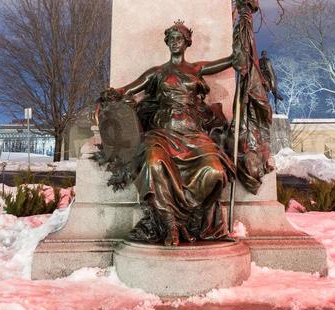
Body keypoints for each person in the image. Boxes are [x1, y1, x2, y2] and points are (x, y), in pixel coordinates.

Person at [100, 21, 235, 246]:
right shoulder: (157, 72)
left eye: (179, 38)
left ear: (187, 43)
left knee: (216, 170)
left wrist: (242, 51)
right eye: (171, 39)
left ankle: (191, 216)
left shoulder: (196, 69)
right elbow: (128, 90)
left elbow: (229, 62)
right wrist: (111, 95)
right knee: (153, 163)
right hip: (163, 133)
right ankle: (170, 223)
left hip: (193, 135)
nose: (174, 42)